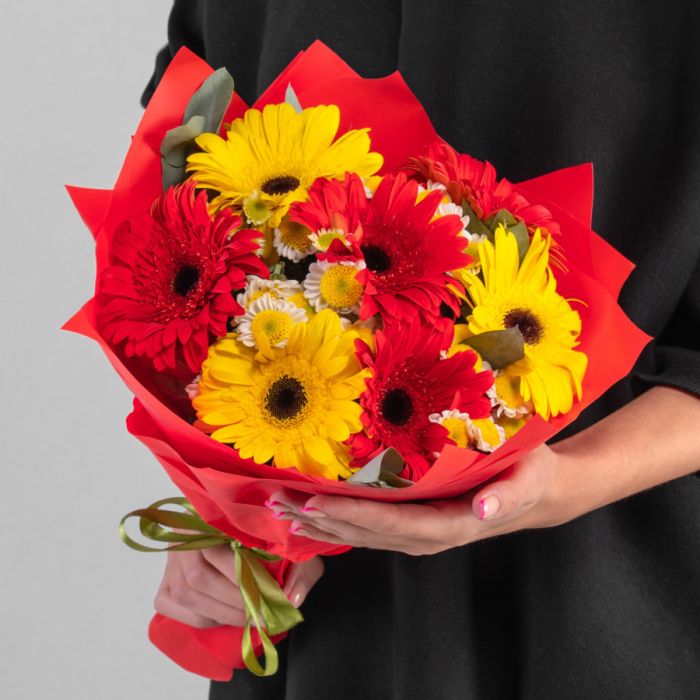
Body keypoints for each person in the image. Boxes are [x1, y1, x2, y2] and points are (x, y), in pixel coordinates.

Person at [143, 2, 700, 698]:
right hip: (326, 610)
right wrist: (228, 501)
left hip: (598, 596)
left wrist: (567, 481)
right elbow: (189, 195)